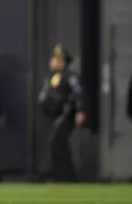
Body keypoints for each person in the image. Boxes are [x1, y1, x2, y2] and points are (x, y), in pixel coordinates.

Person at [38, 44, 86, 182]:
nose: (53, 61)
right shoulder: (53, 76)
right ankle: (62, 175)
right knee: (56, 144)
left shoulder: (69, 76)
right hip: (54, 116)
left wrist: (80, 111)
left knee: (57, 142)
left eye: (57, 59)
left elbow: (78, 94)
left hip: (67, 114)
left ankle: (66, 176)